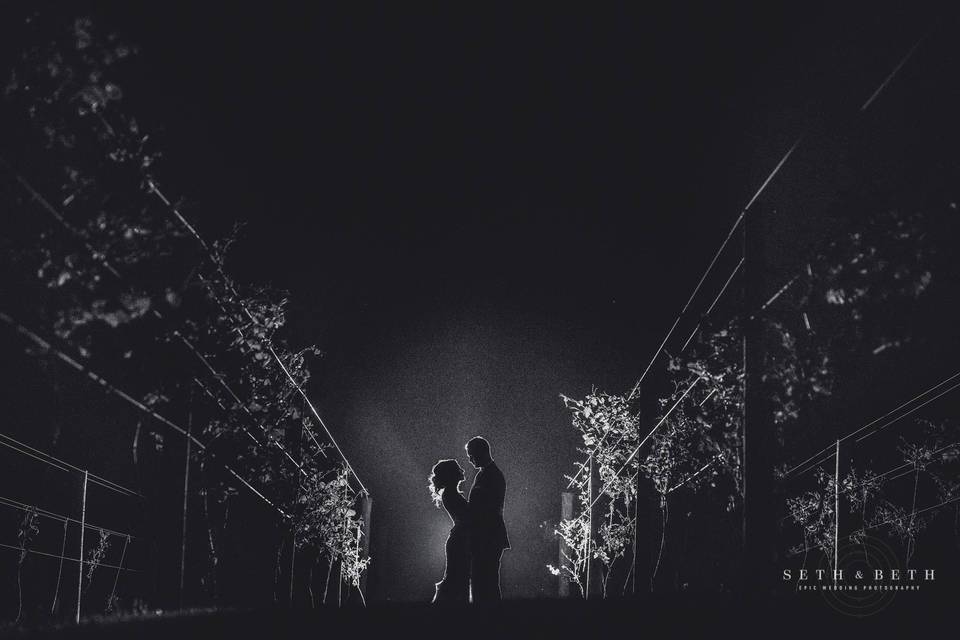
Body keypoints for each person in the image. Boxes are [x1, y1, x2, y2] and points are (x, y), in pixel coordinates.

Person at [465, 436, 510, 602]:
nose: (469, 459)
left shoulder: (492, 475)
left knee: (486, 582)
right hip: (487, 536)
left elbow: (486, 509)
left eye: (471, 455)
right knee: (484, 582)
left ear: (481, 452)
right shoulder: (487, 473)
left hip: (488, 537)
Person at [428, 458, 471, 603]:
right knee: (457, 579)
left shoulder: (451, 493)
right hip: (460, 541)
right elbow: (468, 517)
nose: (463, 470)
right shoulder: (450, 494)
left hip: (460, 539)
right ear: (452, 474)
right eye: (459, 468)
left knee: (457, 578)